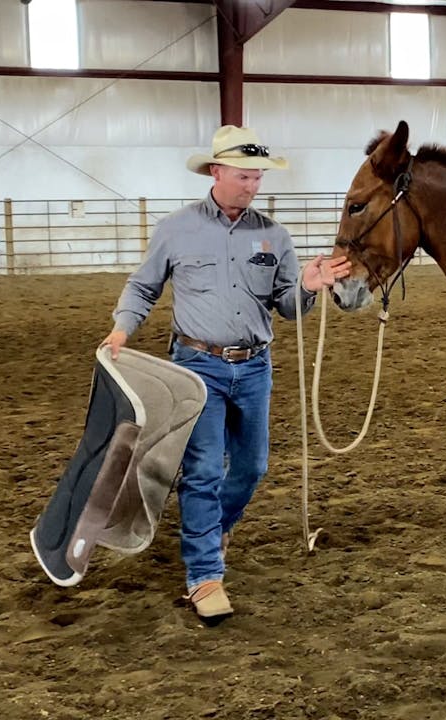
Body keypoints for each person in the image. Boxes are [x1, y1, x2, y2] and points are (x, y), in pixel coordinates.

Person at [100, 125, 351, 622]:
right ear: (216, 173)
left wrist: (306, 284)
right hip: (198, 367)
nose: (253, 185)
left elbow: (286, 308)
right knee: (205, 471)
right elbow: (143, 286)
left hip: (255, 366)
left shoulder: (275, 235)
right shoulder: (177, 228)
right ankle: (204, 576)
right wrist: (120, 331)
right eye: (244, 176)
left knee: (253, 467)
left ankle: (214, 529)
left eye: (258, 176)